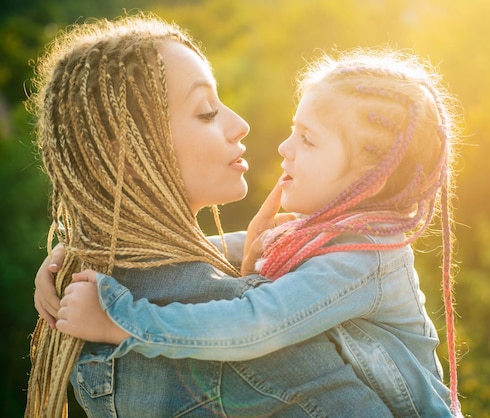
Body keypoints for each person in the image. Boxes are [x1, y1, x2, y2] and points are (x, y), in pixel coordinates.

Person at [51, 47, 464, 416]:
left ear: (369, 178)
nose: (285, 147)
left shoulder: (361, 258)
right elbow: (190, 249)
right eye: (293, 129)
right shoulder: (328, 234)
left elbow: (254, 323)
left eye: (308, 139)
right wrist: (78, 256)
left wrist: (122, 323)